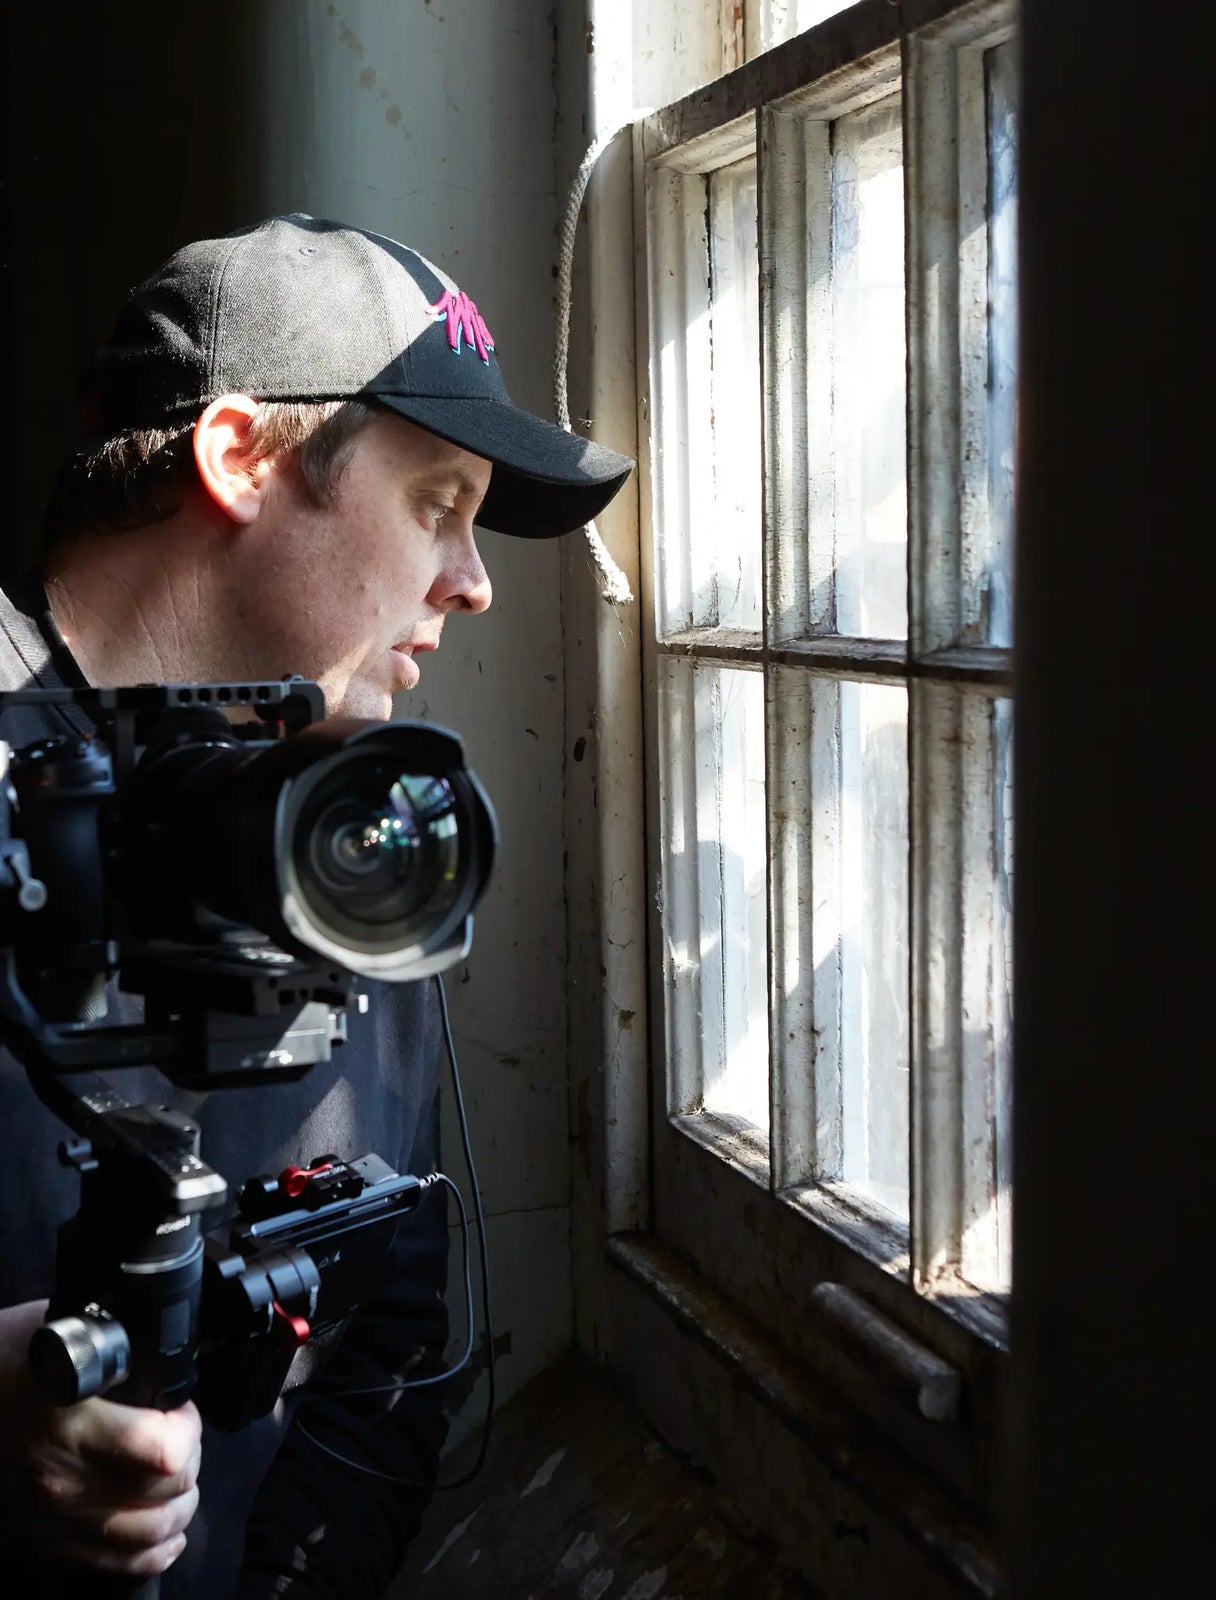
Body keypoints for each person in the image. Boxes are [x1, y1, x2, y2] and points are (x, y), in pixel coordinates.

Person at [0, 214, 632, 1597]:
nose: (473, 584)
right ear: (238, 456)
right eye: (438, 503)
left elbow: (390, 1339)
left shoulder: (355, 837)